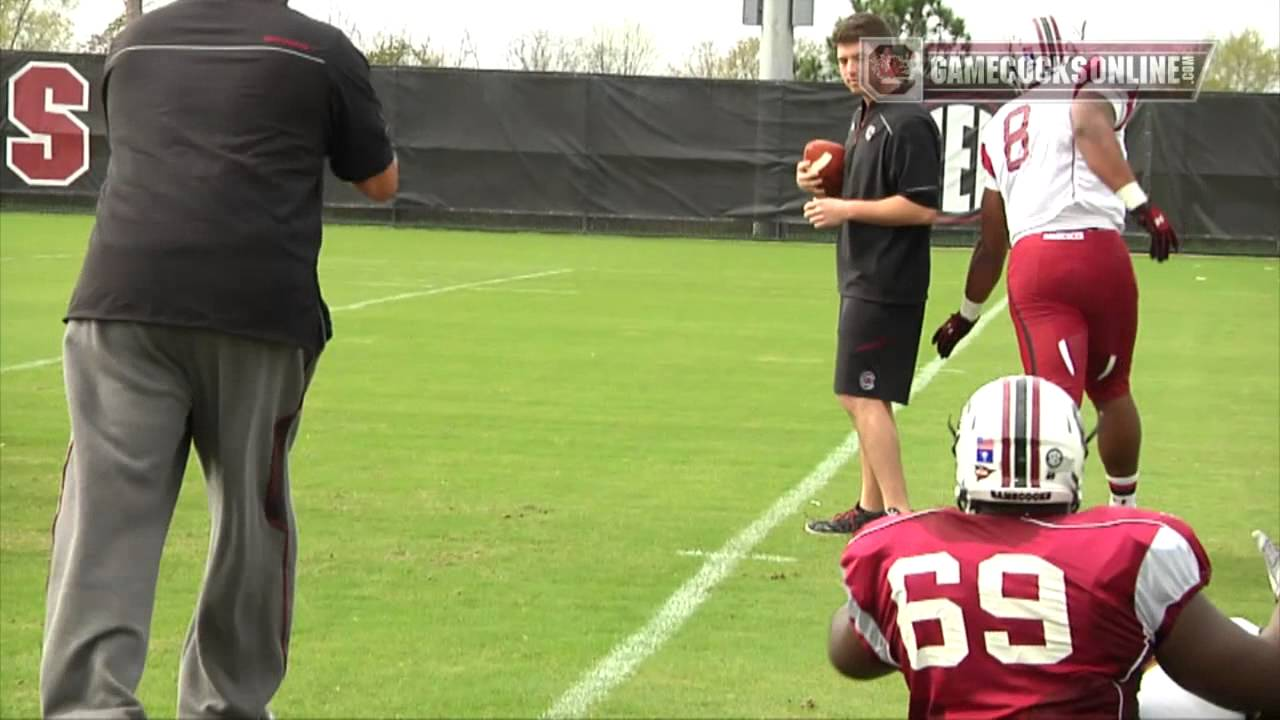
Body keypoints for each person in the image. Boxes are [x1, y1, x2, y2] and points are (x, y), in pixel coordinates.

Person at [40, 0, 398, 717]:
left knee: (105, 519)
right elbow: (380, 181)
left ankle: (88, 707)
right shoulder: (320, 49)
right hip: (256, 310)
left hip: (122, 300)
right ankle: (225, 704)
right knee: (249, 521)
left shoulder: (132, 42)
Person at [826, 374, 1280, 719]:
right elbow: (1266, 682)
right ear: (1072, 460)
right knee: (1226, 644)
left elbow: (847, 653)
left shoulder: (901, 554)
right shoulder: (1131, 551)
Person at [930, 16, 1180, 509]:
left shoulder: (1002, 124)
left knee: (1052, 405)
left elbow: (991, 242)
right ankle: (1123, 512)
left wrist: (967, 313)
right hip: (1102, 255)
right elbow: (1089, 119)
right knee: (1113, 390)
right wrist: (1142, 206)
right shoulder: (1095, 80)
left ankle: (1053, 519)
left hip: (1040, 264)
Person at [797, 12, 942, 535]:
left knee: (859, 394)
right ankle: (872, 508)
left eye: (860, 58)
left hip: (888, 279)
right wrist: (823, 188)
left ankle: (900, 517)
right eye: (842, 60)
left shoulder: (907, 119)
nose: (850, 69)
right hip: (864, 274)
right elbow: (861, 193)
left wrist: (846, 211)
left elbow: (923, 208)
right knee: (864, 392)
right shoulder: (866, 116)